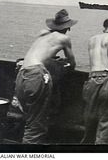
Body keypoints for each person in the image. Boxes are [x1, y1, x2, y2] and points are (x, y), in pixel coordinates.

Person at [12, 9, 77, 144]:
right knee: (36, 126)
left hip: (22, 73)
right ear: (68, 27)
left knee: (29, 118)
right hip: (36, 75)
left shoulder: (42, 34)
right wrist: (64, 65)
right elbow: (72, 63)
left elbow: (42, 52)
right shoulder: (64, 39)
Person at [81, 18, 108, 144]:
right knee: (106, 127)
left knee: (89, 127)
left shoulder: (92, 39)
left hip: (92, 80)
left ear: (104, 28)